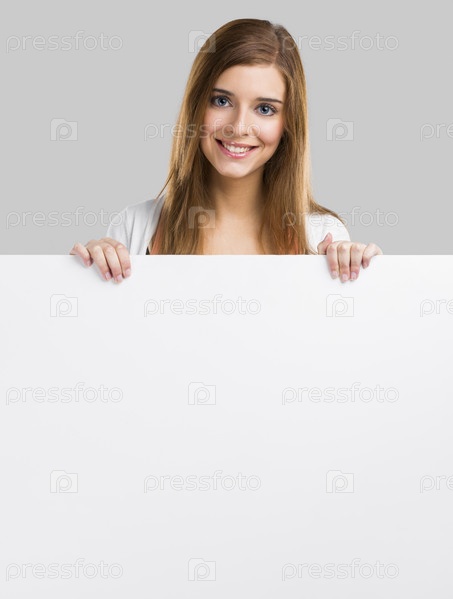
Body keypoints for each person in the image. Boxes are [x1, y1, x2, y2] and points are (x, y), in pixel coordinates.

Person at [70, 18, 382, 283]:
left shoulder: (322, 236)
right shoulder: (134, 227)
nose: (238, 126)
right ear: (196, 105)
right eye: (222, 101)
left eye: (264, 108)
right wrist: (83, 277)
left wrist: (368, 279)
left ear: (288, 123)